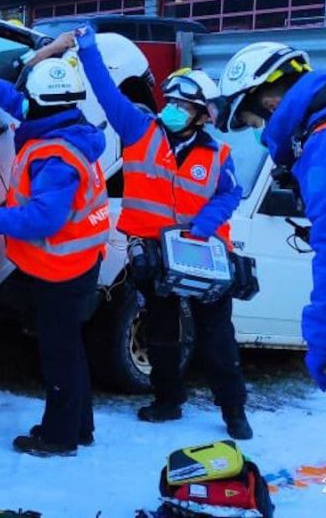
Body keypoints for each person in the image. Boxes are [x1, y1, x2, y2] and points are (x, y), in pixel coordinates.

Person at [74, 25, 252, 440]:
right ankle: (168, 400)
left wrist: (203, 227)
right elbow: (107, 93)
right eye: (169, 101)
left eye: (182, 105)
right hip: (154, 254)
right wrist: (87, 49)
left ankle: (234, 410)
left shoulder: (218, 154)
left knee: (217, 337)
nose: (171, 109)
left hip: (205, 253)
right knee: (161, 331)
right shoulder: (139, 130)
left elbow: (229, 195)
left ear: (203, 115)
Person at [0, 47, 109, 457]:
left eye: (29, 98)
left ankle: (59, 437)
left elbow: (44, 218)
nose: (23, 104)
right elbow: (23, 104)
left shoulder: (55, 157)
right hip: (79, 262)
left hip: (61, 269)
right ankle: (79, 426)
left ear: (41, 103)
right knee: (70, 348)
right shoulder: (70, 126)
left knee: (59, 354)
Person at [213, 41, 326, 392]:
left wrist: (322, 343)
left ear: (271, 104)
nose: (262, 134)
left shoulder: (321, 147)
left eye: (256, 123)